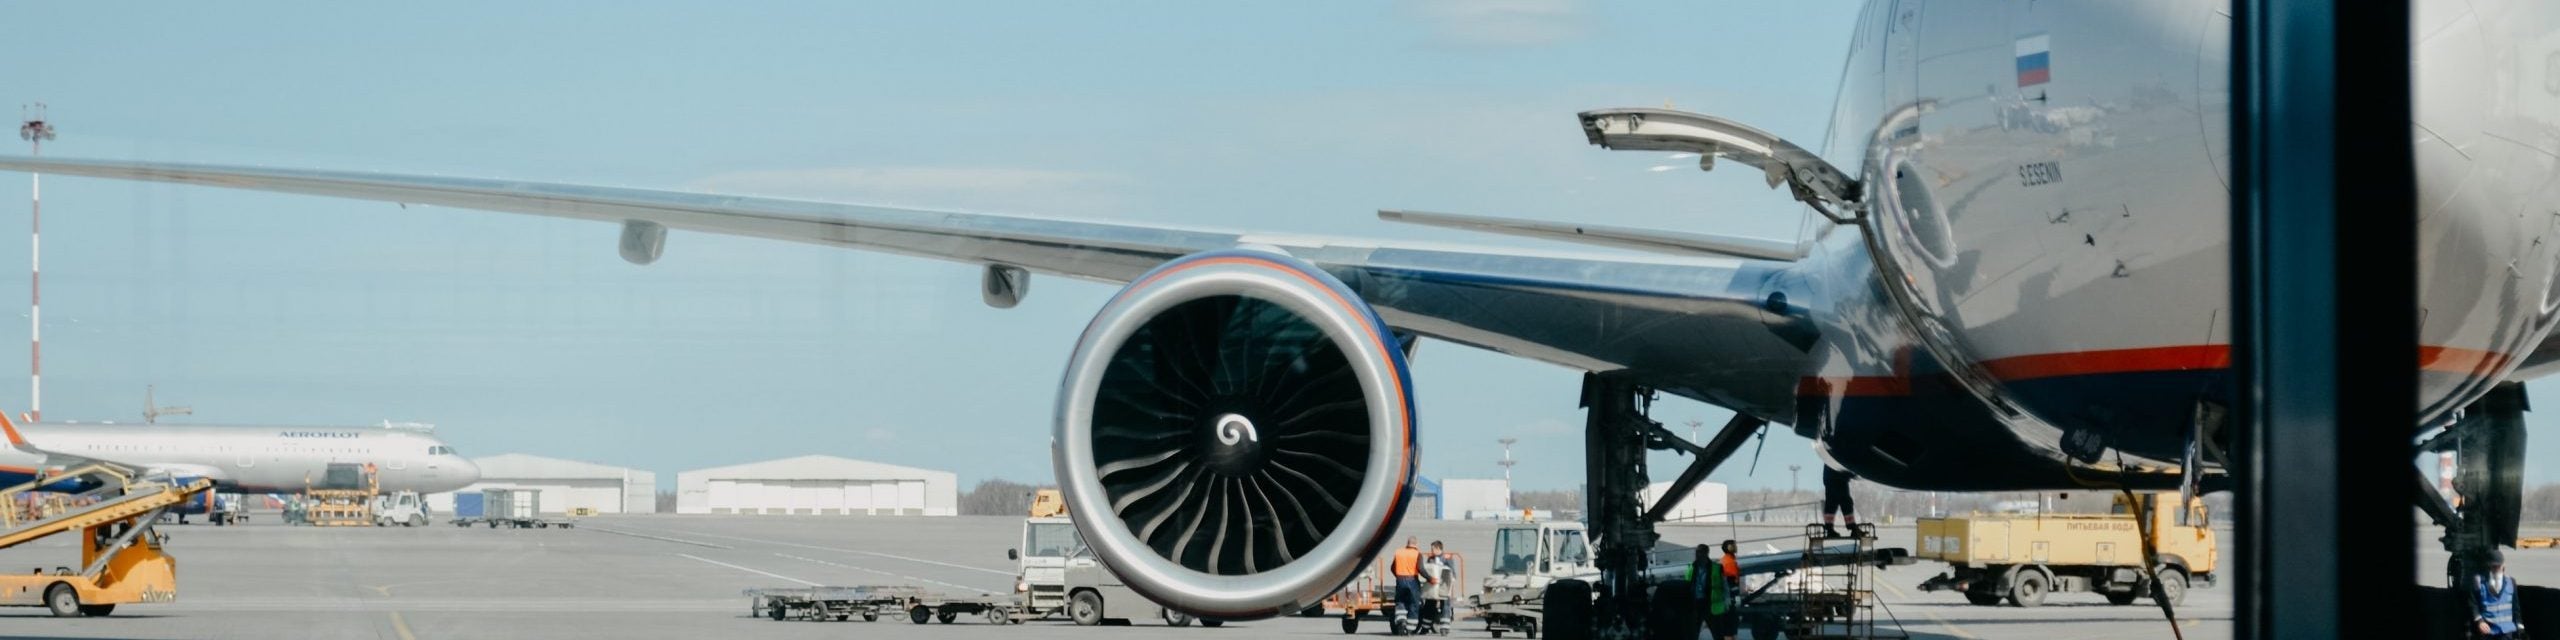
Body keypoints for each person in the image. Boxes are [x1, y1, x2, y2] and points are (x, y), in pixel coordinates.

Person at [2474, 548, 2526, 639]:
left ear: (2503, 567)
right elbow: (2473, 603)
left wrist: (2520, 627)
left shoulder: (2511, 582)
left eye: (2499, 566)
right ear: (2489, 567)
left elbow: (2516, 608)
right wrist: (2480, 621)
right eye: (2494, 566)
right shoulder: (2479, 582)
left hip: (2507, 631)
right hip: (2488, 631)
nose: (2497, 569)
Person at [1691, 543, 1737, 640]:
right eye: (1697, 553)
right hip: (1695, 605)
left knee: (1718, 634)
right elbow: (1687, 586)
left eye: (1701, 553)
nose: (1698, 555)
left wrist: (1727, 598)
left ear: (1707, 553)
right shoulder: (1691, 568)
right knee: (1692, 634)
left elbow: (1724, 584)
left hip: (1711, 605)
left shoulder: (1716, 567)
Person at [1391, 537, 1423, 628]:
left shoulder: (1399, 552)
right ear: (1416, 544)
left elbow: (1392, 568)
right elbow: (1421, 569)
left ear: (1407, 543)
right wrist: (1430, 578)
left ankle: (1401, 620)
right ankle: (1410, 627)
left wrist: (1398, 576)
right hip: (1412, 580)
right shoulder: (1417, 554)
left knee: (1400, 601)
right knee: (1413, 602)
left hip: (1400, 580)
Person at [1421, 541, 1453, 629]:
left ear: (1438, 548)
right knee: (1429, 605)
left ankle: (1444, 627)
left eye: (1432, 549)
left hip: (1444, 585)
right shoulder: (1430, 559)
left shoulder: (1447, 558)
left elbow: (1452, 573)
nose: (1431, 551)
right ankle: (1425, 627)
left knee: (1445, 606)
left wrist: (1450, 587)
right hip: (1433, 586)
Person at [1822, 465, 1860, 538]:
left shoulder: (1830, 456)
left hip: (1830, 480)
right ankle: (1853, 528)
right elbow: (1842, 466)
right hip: (1839, 480)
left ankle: (1829, 529)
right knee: (1846, 503)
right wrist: (1854, 474)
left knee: (1831, 504)